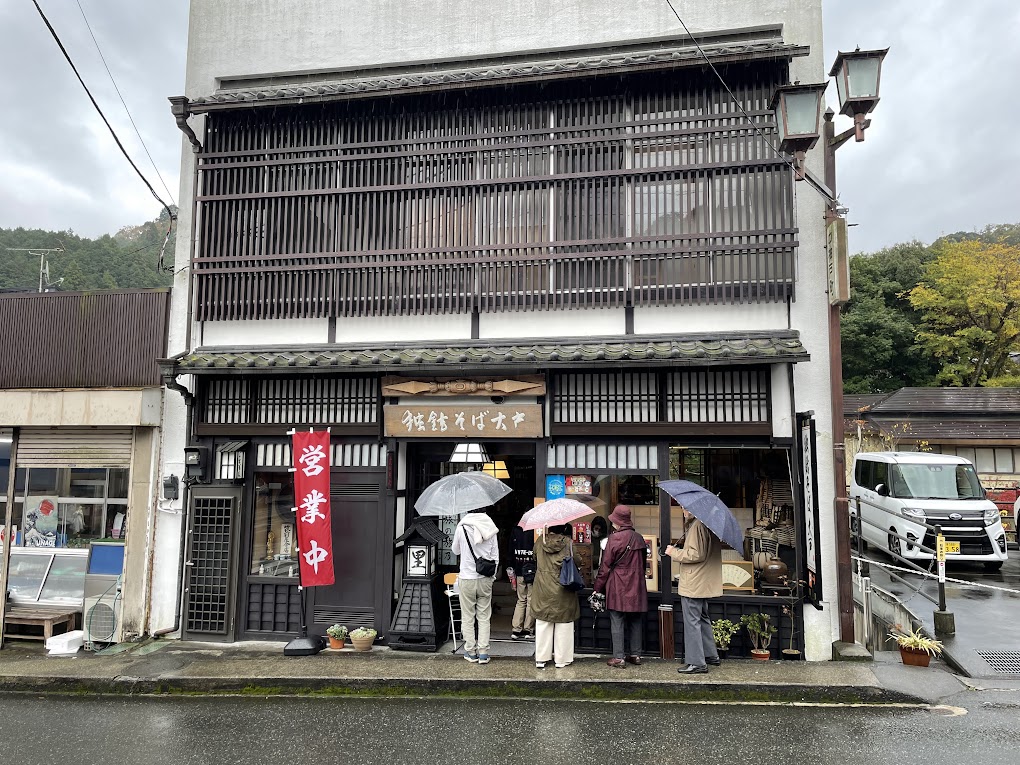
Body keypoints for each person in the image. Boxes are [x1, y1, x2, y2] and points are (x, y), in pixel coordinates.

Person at [666, 506, 723, 674]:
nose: (683, 509)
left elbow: (695, 554)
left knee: (692, 622)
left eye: (686, 507)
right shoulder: (707, 524)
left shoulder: (697, 526)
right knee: (703, 618)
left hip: (694, 582)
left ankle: (697, 662)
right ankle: (710, 655)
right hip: (703, 580)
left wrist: (674, 552)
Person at [592, 505, 647, 668]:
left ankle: (618, 657)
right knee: (635, 619)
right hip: (636, 583)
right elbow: (644, 564)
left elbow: (605, 567)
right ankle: (636, 655)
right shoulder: (639, 538)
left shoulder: (614, 539)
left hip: (618, 584)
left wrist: (597, 587)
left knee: (617, 619)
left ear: (617, 522)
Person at [451, 509, 499, 665]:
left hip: (467, 578)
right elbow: (495, 556)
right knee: (484, 616)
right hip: (485, 579)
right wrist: (492, 577)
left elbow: (455, 550)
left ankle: (471, 652)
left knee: (468, 616)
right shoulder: (491, 528)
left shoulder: (461, 527)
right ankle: (484, 653)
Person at [531, 524, 580, 669]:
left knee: (543, 622)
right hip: (563, 588)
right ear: (563, 529)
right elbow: (577, 561)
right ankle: (562, 659)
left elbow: (534, 557)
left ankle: (541, 658)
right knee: (564, 622)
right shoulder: (569, 543)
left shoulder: (540, 541)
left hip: (542, 587)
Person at [509, 525, 536, 640]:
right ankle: (528, 629)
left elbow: (510, 550)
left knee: (521, 600)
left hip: (519, 569)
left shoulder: (516, 530)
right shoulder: (536, 530)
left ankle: (516, 629)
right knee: (530, 599)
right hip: (532, 570)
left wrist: (510, 568)